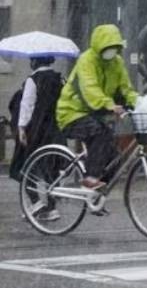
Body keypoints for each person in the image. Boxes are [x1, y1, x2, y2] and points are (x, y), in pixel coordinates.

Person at [56, 25, 140, 204]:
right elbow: (90, 89)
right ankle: (90, 179)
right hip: (71, 113)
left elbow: (126, 88)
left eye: (114, 47)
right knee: (99, 134)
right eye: (107, 47)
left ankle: (96, 196)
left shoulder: (117, 63)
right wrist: (110, 105)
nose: (111, 51)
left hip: (93, 114)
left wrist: (140, 104)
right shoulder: (86, 60)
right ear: (99, 46)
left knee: (114, 158)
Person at [8, 56, 64, 185]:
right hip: (55, 126)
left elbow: (27, 105)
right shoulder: (60, 79)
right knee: (52, 163)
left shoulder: (33, 80)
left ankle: (34, 200)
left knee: (29, 163)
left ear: (34, 62)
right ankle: (52, 199)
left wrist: (21, 128)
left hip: (37, 126)